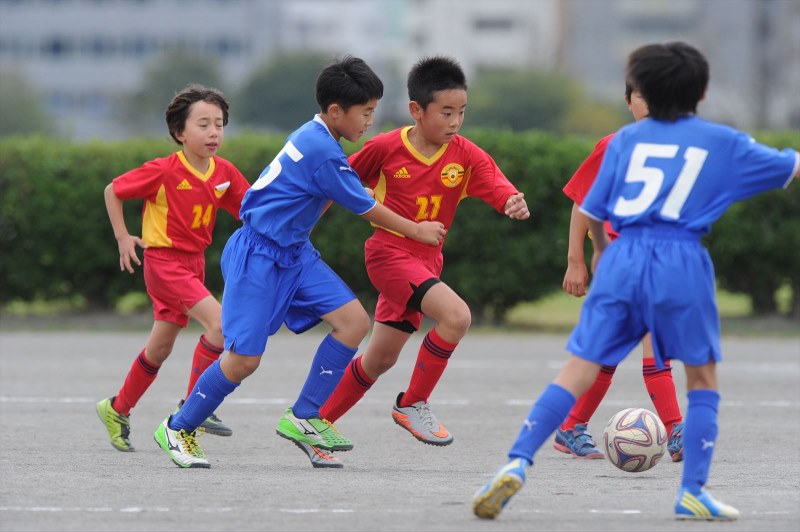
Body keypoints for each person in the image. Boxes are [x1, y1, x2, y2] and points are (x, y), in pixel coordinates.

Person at [473, 41, 799, 521]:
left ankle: (517, 462)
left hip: (623, 255)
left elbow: (592, 210)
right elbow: (788, 166)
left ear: (640, 91)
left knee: (578, 369)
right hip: (681, 258)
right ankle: (692, 491)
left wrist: (603, 258)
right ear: (702, 91)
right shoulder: (721, 141)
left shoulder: (623, 141)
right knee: (701, 376)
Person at [153, 56, 446, 469]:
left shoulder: (318, 135)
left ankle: (305, 417)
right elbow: (365, 207)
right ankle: (178, 427)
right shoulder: (322, 150)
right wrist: (416, 230)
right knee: (243, 361)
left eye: (373, 112)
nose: (369, 122)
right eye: (365, 113)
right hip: (258, 254)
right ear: (335, 111)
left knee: (354, 323)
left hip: (294, 253)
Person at [316, 55, 529, 451]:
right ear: (416, 110)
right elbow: (334, 180)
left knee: (378, 361)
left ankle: (315, 421)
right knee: (457, 316)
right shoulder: (384, 148)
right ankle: (412, 403)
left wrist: (510, 201)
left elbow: (497, 184)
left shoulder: (465, 155)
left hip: (426, 265)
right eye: (446, 112)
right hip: (388, 256)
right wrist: (307, 221)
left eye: (461, 112)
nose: (454, 122)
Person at [96, 84, 250, 452]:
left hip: (193, 265)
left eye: (219, 124)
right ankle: (195, 406)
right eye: (203, 124)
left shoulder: (223, 171)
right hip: (164, 263)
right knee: (220, 324)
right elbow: (112, 190)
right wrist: (123, 237)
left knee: (159, 349)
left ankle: (117, 408)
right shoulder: (163, 171)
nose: (214, 132)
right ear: (180, 133)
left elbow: (252, 209)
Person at [556, 85, 684, 461]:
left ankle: (570, 427)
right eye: (641, 95)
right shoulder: (613, 146)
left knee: (613, 351)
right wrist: (575, 259)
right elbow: (583, 203)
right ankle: (676, 430)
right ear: (628, 102)